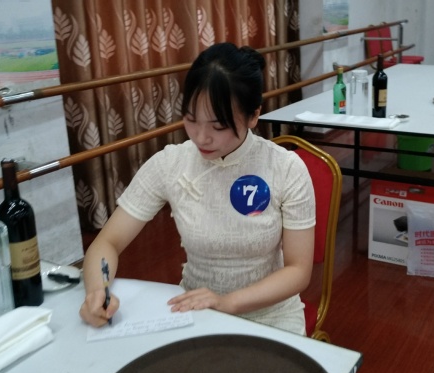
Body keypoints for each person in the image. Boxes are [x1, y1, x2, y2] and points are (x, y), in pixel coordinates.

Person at [79, 42, 316, 336]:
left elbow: (298, 270)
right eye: (191, 120)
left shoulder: (285, 168)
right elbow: (107, 243)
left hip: (272, 315)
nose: (201, 137)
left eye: (218, 126)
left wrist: (227, 302)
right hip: (195, 311)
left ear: (254, 115)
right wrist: (97, 290)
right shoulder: (171, 164)